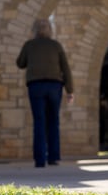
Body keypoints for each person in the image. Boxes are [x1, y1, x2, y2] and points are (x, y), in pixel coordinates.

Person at [16, 18, 74, 168]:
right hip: (54, 86)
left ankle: (40, 159)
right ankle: (53, 157)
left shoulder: (29, 45)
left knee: (39, 121)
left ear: (34, 30)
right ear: (50, 30)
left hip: (36, 86)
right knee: (53, 120)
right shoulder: (56, 45)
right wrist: (70, 90)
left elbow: (20, 63)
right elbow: (65, 68)